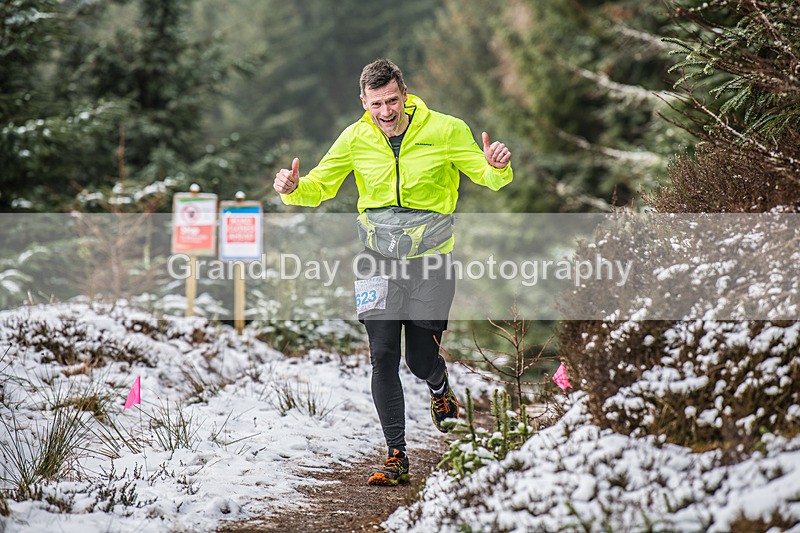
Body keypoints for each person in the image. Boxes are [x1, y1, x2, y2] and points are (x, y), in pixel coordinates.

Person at [273, 58, 512, 486]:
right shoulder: (354, 138)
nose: (385, 112)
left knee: (419, 360)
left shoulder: (445, 130)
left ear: (405, 94)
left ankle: (438, 385)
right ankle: (396, 455)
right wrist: (293, 189)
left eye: (392, 101)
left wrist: (495, 165)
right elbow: (319, 187)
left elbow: (486, 176)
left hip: (432, 261)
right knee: (382, 356)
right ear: (363, 101)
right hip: (375, 260)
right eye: (375, 104)